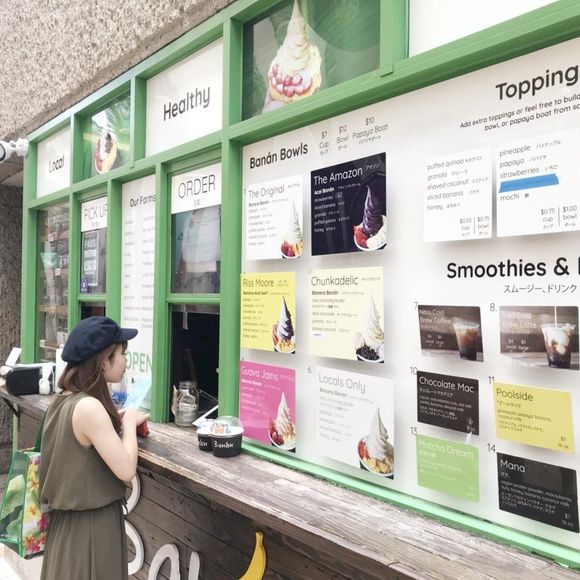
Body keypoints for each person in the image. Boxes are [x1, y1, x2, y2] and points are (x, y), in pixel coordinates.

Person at [39, 316, 149, 580]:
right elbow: (126, 469)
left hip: (67, 528)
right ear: (103, 362)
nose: (125, 361)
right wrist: (129, 421)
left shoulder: (64, 400)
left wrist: (116, 422)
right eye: (122, 354)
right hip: (90, 528)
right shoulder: (89, 407)